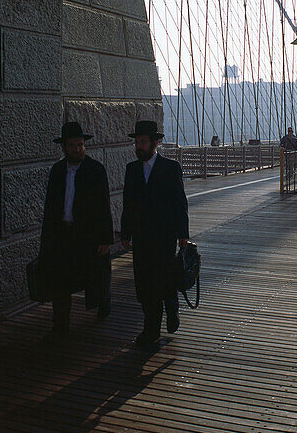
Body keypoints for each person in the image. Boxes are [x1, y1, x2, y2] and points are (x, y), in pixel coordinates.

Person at [39, 121, 113, 340]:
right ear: (64, 147)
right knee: (60, 280)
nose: (77, 149)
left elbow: (104, 206)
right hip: (62, 235)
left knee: (96, 276)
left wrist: (105, 239)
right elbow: (50, 207)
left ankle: (104, 302)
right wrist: (47, 239)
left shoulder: (95, 170)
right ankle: (60, 324)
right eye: (72, 145)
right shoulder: (57, 170)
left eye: (80, 144)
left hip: (87, 235)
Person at [121, 120, 189, 350]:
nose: (138, 146)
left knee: (162, 278)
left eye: (142, 142)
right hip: (141, 237)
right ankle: (150, 329)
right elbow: (127, 204)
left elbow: (180, 202)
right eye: (136, 142)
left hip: (164, 235)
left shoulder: (170, 168)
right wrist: (125, 232)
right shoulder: (132, 170)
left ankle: (171, 308)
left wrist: (183, 233)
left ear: (155, 143)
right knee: (144, 283)